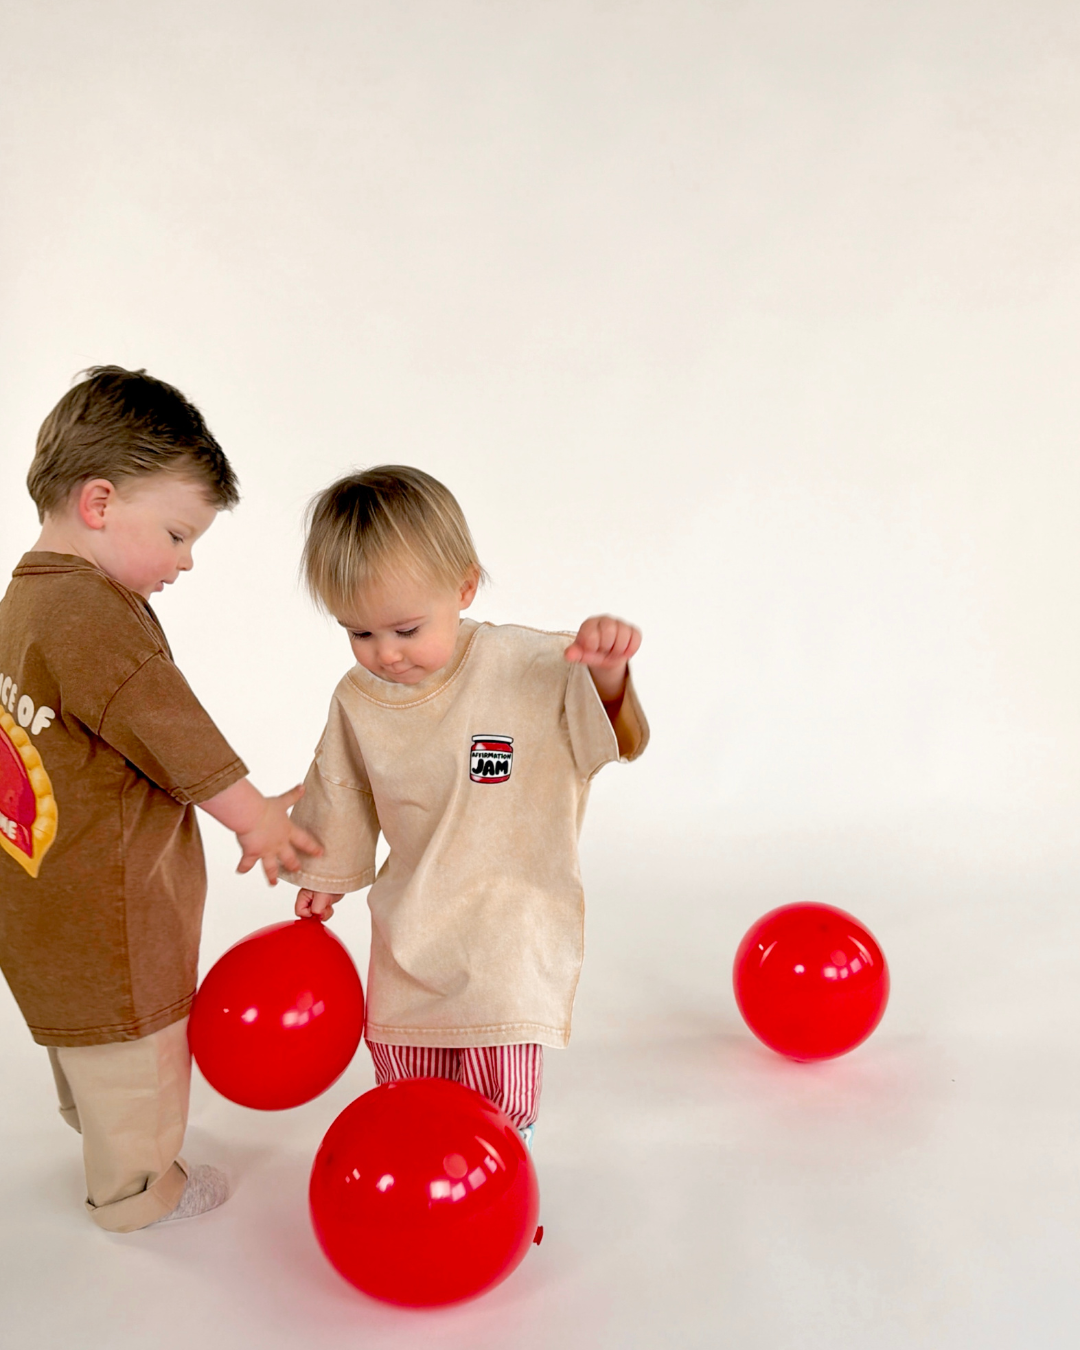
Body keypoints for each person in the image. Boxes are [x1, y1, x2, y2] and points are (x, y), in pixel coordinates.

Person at [0, 366, 321, 1232]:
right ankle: (139, 1194)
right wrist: (257, 818)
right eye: (178, 534)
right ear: (99, 502)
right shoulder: (93, 615)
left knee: (91, 1040)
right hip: (108, 907)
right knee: (139, 1045)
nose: (186, 561)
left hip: (39, 899)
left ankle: (103, 1134)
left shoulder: (24, 601)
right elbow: (166, 723)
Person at [281, 466, 648, 1147]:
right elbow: (342, 788)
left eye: (405, 628)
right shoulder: (358, 700)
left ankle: (497, 1172)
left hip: (510, 919)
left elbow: (608, 739)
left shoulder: (530, 664)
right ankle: (418, 1174)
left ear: (464, 587)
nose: (385, 654)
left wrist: (605, 672)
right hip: (414, 917)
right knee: (407, 1067)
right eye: (359, 634)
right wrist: (323, 877)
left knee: (496, 1080)